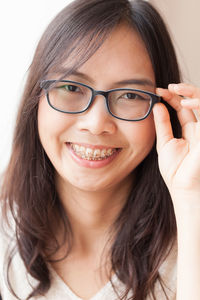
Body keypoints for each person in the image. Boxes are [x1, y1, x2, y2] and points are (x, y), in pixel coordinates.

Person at [0, 0, 200, 299]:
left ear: (165, 108)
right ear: (36, 98)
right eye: (71, 88)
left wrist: (191, 199)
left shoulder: (191, 225)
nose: (96, 124)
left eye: (131, 94)